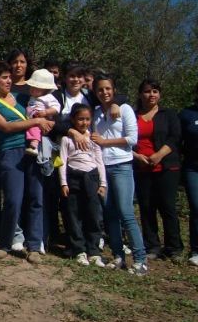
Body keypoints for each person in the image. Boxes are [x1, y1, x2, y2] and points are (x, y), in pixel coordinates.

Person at [0, 61, 53, 264]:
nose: (8, 80)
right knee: (13, 199)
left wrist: (45, 120)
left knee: (36, 197)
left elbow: (44, 108)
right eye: (3, 77)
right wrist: (36, 122)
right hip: (10, 152)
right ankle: (5, 242)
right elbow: (5, 127)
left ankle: (34, 245)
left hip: (34, 149)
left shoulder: (23, 98)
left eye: (9, 77)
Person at [91, 74, 148, 275]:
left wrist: (105, 142)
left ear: (114, 90)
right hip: (103, 168)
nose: (104, 92)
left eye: (107, 88)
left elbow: (132, 138)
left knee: (126, 213)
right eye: (100, 89)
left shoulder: (125, 110)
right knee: (110, 215)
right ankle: (118, 256)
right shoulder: (96, 112)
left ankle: (140, 259)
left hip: (122, 165)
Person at [132, 79, 182, 260]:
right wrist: (138, 158)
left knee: (167, 207)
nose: (151, 95)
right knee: (146, 207)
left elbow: (175, 137)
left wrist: (158, 155)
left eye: (154, 91)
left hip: (167, 166)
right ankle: (152, 246)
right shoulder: (133, 115)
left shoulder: (168, 114)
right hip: (141, 167)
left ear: (159, 94)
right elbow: (127, 139)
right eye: (147, 91)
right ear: (140, 94)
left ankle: (174, 248)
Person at [58, 104, 107, 267]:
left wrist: (103, 183)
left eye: (87, 119)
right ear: (73, 119)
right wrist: (63, 183)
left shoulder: (93, 139)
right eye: (80, 119)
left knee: (93, 214)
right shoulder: (67, 139)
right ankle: (79, 250)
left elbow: (100, 161)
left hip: (91, 177)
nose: (84, 122)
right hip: (73, 177)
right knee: (74, 214)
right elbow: (63, 161)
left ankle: (93, 250)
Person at [179, 82, 198, 267]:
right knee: (196, 206)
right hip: (193, 167)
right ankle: (196, 249)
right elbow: (179, 141)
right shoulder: (187, 114)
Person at [24, 69, 60, 157]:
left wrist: (45, 112)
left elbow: (57, 108)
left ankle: (34, 145)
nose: (32, 89)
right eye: (31, 87)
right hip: (32, 118)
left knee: (34, 128)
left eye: (35, 88)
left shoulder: (48, 97)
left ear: (45, 89)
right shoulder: (32, 97)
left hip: (42, 120)